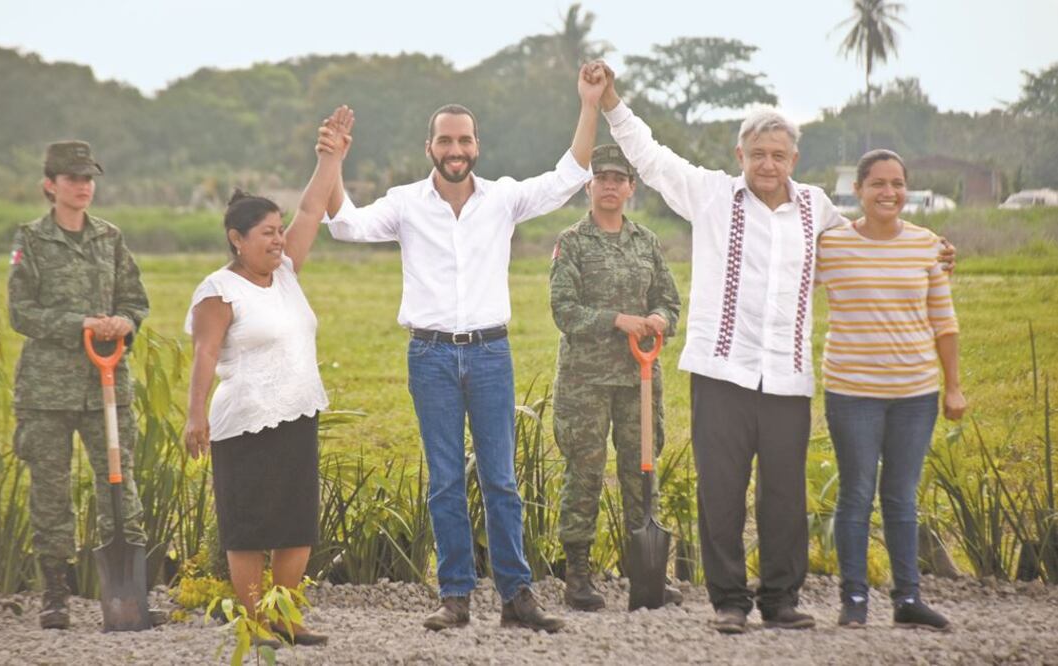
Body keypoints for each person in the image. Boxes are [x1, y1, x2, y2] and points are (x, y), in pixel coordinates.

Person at [590, 62, 949, 633]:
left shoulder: (817, 208)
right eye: (758, 153)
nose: (768, 164)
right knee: (721, 492)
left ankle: (781, 600)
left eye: (778, 155)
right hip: (721, 371)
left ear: (794, 160)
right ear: (740, 154)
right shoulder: (711, 195)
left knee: (784, 495)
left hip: (787, 377)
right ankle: (730, 602)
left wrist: (931, 250)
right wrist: (610, 101)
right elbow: (650, 157)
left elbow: (868, 244)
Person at [288, 65, 606, 633]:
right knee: (445, 481)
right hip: (430, 356)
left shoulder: (503, 199)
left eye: (464, 140)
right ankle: (455, 596)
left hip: (490, 354)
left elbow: (569, 174)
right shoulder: (405, 203)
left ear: (476, 146)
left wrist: (588, 103)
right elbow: (345, 225)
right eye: (445, 140)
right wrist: (332, 159)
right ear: (429, 147)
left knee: (501, 480)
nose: (455, 150)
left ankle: (516, 596)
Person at [183, 115, 348, 647]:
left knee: (297, 522)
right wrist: (195, 415)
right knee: (251, 526)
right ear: (237, 239)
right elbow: (205, 354)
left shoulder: (286, 273)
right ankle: (254, 622)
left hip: (298, 409)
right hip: (245, 421)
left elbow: (311, 209)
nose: (279, 239)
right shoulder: (218, 291)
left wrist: (331, 158)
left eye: (280, 231)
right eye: (267, 233)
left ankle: (286, 616)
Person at [8, 140, 162, 630]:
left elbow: (135, 301)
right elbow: (21, 312)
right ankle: (56, 594)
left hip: (106, 386)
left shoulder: (110, 238)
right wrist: (82, 324)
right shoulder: (31, 240)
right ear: (50, 185)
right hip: (46, 391)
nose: (83, 186)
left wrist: (123, 322)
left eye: (89, 178)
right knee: (50, 491)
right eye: (73, 178)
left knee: (119, 484)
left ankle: (128, 593)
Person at [817, 149, 964, 631]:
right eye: (878, 183)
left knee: (902, 496)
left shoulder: (927, 245)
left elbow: (944, 322)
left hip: (915, 395)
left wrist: (953, 388)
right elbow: (785, 284)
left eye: (897, 183)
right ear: (857, 190)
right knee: (857, 492)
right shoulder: (831, 246)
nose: (889, 192)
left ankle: (908, 599)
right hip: (851, 391)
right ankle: (854, 599)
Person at [549, 144, 682, 610]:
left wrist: (661, 318)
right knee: (584, 475)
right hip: (584, 382)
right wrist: (616, 320)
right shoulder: (572, 242)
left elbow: (669, 300)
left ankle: (646, 575)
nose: (609, 186)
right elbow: (564, 311)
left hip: (638, 379)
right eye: (601, 178)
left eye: (617, 179)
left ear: (631, 187)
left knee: (640, 474)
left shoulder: (646, 242)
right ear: (589, 186)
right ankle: (577, 577)